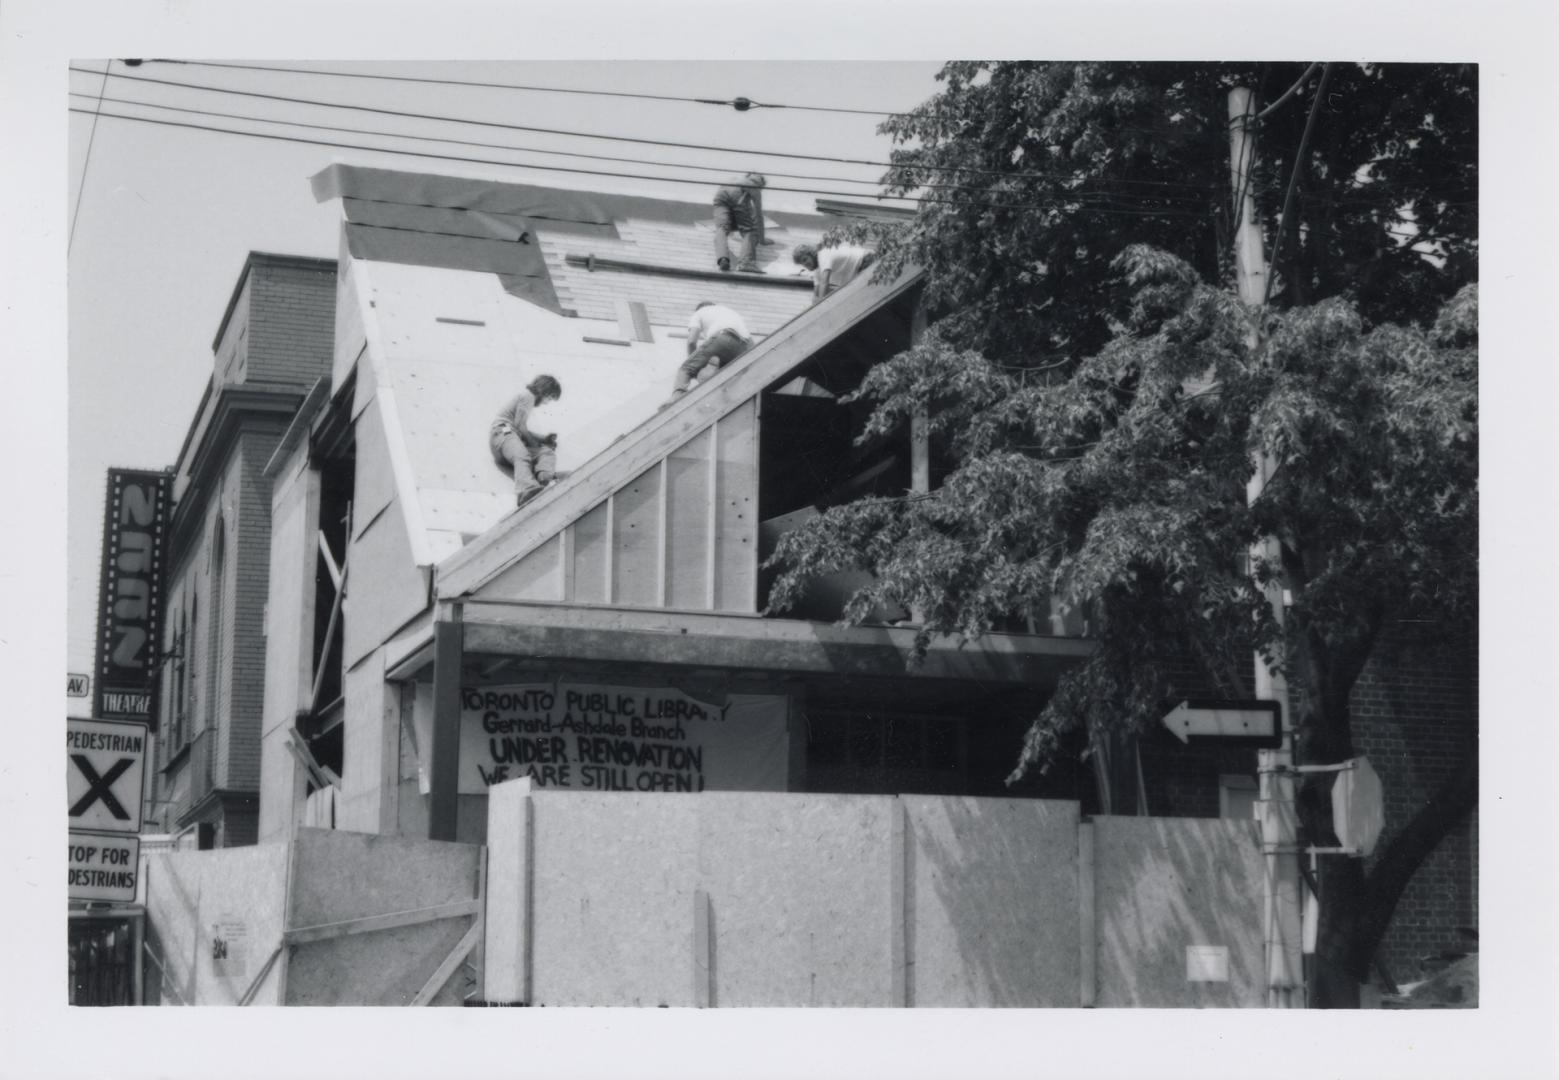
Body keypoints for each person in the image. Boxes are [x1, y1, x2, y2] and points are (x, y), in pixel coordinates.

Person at [490, 374, 562, 507]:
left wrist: (543, 439)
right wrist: (535, 443)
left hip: (510, 438)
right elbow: (520, 427)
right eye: (549, 398)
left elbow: (522, 430)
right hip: (502, 432)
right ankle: (526, 490)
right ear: (544, 391)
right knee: (522, 454)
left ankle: (544, 478)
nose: (547, 402)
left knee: (546, 452)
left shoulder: (527, 398)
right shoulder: (528, 396)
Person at [668, 302, 753, 401]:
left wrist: (694, 364)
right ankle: (722, 398)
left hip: (723, 337)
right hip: (743, 346)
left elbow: (691, 341)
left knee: (686, 368)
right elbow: (751, 344)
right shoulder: (731, 313)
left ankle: (676, 398)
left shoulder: (699, 312)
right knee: (722, 375)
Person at [712, 173, 769, 273]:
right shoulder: (753, 186)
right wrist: (762, 239)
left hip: (720, 195)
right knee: (750, 231)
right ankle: (745, 262)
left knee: (722, 228)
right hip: (737, 195)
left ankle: (723, 259)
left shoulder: (734, 178)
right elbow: (758, 216)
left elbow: (734, 212)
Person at [791, 242, 877, 303]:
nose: (805, 264)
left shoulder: (823, 255)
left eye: (805, 259)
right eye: (802, 263)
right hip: (859, 271)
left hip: (867, 260)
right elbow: (816, 292)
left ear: (811, 254)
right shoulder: (817, 271)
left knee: (865, 297)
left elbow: (824, 283)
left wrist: (821, 308)